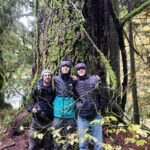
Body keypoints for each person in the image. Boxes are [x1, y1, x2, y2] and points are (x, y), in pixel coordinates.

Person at [74, 63, 107, 150]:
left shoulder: (95, 80)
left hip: (96, 114)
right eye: (78, 69)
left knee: (98, 142)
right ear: (77, 71)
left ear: (86, 69)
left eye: (82, 68)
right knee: (83, 143)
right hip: (82, 115)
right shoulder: (75, 83)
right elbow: (73, 97)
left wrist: (100, 108)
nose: (81, 70)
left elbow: (103, 95)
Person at [26, 69, 55, 150]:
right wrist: (30, 108)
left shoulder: (54, 88)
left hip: (49, 121)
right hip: (36, 121)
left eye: (49, 75)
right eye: (45, 75)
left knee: (48, 146)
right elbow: (26, 98)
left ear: (51, 77)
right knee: (33, 146)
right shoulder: (36, 88)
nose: (47, 77)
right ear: (42, 77)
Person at [52, 61, 76, 150]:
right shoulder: (55, 79)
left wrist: (95, 78)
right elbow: (44, 85)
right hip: (58, 115)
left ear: (70, 68)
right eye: (63, 66)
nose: (65, 68)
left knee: (69, 141)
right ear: (60, 68)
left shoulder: (73, 80)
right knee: (56, 140)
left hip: (70, 116)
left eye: (67, 66)